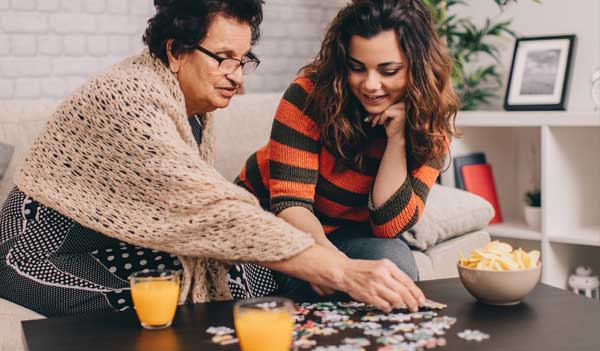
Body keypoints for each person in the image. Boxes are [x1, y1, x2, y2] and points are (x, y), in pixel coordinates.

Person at [0, 0, 425, 317]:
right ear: (175, 51)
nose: (237, 76)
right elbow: (211, 209)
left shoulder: (194, 107)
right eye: (223, 58)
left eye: (243, 60)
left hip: (115, 242)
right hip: (36, 251)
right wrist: (344, 272)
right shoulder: (128, 100)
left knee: (240, 279)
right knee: (155, 311)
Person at [236, 0, 459, 299]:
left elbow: (390, 227)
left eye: (389, 70)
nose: (370, 84)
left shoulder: (431, 127)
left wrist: (397, 141)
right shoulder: (308, 95)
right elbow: (291, 206)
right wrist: (337, 268)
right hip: (273, 223)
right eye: (357, 68)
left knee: (395, 263)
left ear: (417, 67)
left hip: (345, 234)